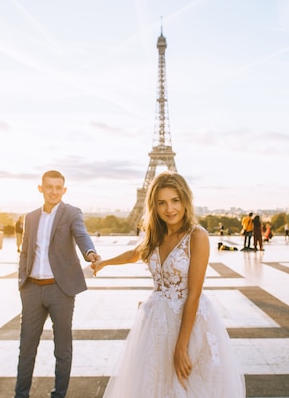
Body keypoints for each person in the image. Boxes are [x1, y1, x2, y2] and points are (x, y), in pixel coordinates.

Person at [91, 171, 246, 398]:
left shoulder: (197, 236)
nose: (169, 209)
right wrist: (105, 263)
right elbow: (136, 253)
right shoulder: (156, 233)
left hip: (190, 324)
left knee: (186, 386)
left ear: (185, 200)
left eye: (175, 201)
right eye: (161, 203)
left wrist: (181, 347)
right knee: (155, 385)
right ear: (154, 205)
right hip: (157, 320)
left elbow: (193, 294)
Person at [14, 170, 100, 398]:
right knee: (26, 348)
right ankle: (20, 395)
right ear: (40, 188)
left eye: (58, 187)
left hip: (60, 290)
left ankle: (58, 395)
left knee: (62, 349)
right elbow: (25, 251)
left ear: (64, 190)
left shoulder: (71, 213)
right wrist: (22, 282)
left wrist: (90, 252)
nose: (53, 191)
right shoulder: (30, 217)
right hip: (32, 289)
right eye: (49, 187)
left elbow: (82, 235)